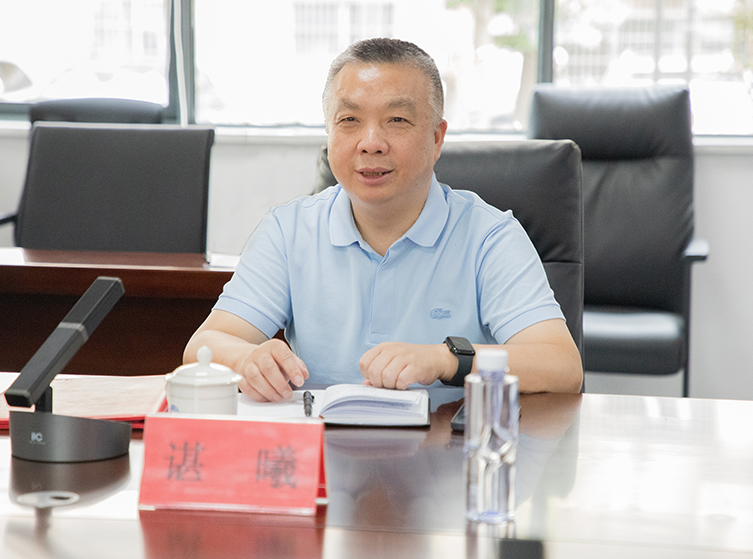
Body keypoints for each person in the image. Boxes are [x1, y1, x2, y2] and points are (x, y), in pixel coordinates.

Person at [184, 38, 583, 402]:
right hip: (325, 449)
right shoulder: (288, 231)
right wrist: (247, 359)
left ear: (437, 138)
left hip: (446, 450)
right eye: (349, 120)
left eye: (397, 120)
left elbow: (562, 365)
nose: (371, 143)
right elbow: (204, 345)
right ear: (328, 134)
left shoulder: (490, 237)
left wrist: (445, 359)